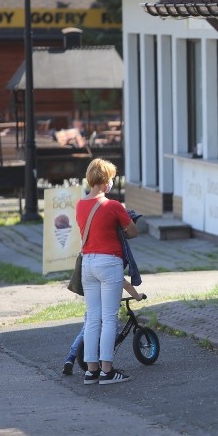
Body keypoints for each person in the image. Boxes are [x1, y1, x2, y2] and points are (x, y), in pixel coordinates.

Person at [76, 158, 138, 385]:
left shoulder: (80, 205)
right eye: (111, 178)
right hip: (108, 262)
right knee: (110, 318)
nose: (112, 182)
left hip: (88, 264)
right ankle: (107, 370)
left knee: (92, 318)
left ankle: (91, 370)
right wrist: (125, 217)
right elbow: (132, 232)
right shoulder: (113, 206)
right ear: (104, 181)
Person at [61, 281, 144, 375]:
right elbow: (127, 285)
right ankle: (104, 360)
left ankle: (70, 359)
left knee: (85, 332)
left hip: (92, 308)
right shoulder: (112, 269)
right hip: (107, 308)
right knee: (112, 332)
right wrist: (137, 296)